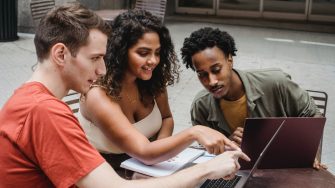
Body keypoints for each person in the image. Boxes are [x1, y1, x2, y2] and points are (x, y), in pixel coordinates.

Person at [0, 4, 250, 187]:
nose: (101, 69)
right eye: (95, 58)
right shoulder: (44, 111)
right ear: (61, 54)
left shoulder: (32, 101)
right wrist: (206, 169)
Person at [78, 9, 245, 178]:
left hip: (145, 168)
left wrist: (160, 148)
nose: (153, 61)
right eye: (143, 53)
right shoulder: (98, 94)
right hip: (104, 174)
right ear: (120, 51)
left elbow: (166, 118)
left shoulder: (151, 81)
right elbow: (144, 152)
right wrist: (195, 132)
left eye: (157, 53)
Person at [180, 27, 326, 169]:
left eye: (216, 70)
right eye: (202, 75)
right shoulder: (201, 106)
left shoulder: (276, 82)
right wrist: (227, 145)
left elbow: (313, 116)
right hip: (235, 175)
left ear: (230, 59)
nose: (212, 81)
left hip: (285, 168)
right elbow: (206, 158)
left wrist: (311, 154)